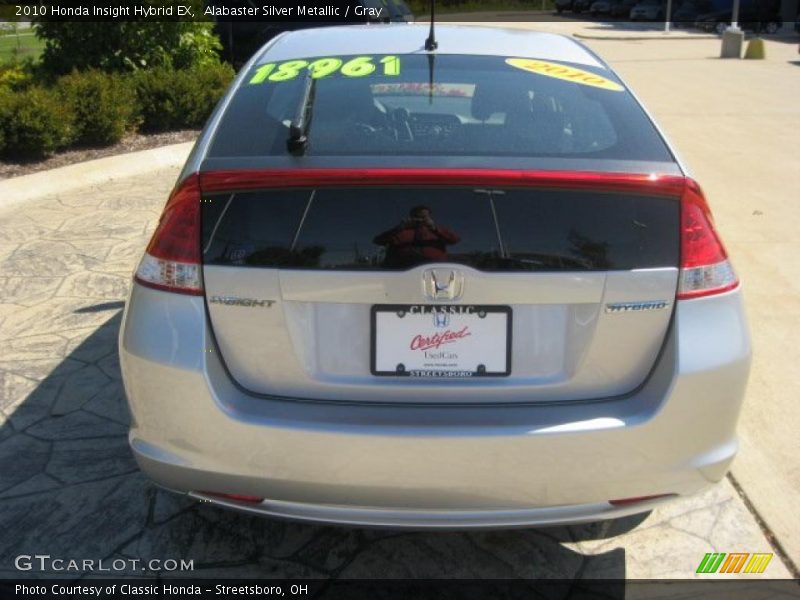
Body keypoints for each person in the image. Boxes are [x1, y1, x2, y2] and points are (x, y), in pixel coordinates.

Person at [373, 205, 460, 268]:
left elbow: (455, 240)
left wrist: (434, 228)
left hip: (437, 273)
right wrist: (399, 228)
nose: (420, 220)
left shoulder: (438, 231)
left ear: (430, 217)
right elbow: (378, 241)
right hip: (401, 273)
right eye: (416, 217)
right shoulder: (401, 232)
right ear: (410, 217)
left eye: (424, 217)